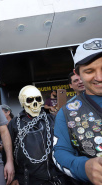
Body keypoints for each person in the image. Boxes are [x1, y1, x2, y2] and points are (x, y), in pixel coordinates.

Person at [53, 38, 102, 185]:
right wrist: (84, 167)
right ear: (77, 73)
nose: (99, 77)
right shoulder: (67, 112)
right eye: (89, 71)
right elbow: (59, 152)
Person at [8, 85, 67, 185]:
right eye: (30, 100)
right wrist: (14, 176)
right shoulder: (14, 123)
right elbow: (8, 150)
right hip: (28, 179)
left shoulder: (52, 119)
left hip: (54, 177)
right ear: (23, 102)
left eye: (38, 99)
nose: (35, 103)